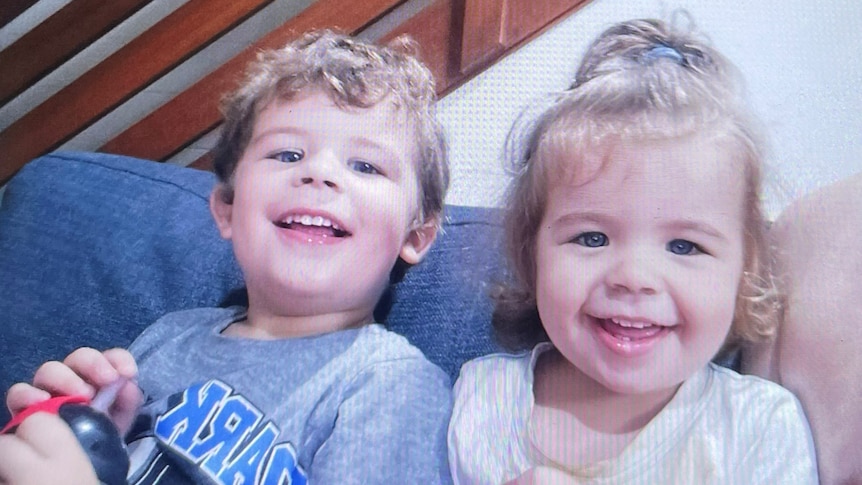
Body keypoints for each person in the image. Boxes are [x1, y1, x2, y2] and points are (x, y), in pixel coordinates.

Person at [0, 30, 453, 485]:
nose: (318, 173)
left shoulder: (391, 385)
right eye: (288, 153)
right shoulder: (170, 335)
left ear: (415, 237)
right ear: (228, 210)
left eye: (366, 166)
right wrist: (99, 439)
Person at [447, 18, 818, 484]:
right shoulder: (480, 398)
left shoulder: (757, 428)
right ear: (532, 254)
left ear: (745, 272)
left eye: (684, 246)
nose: (633, 276)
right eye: (592, 238)